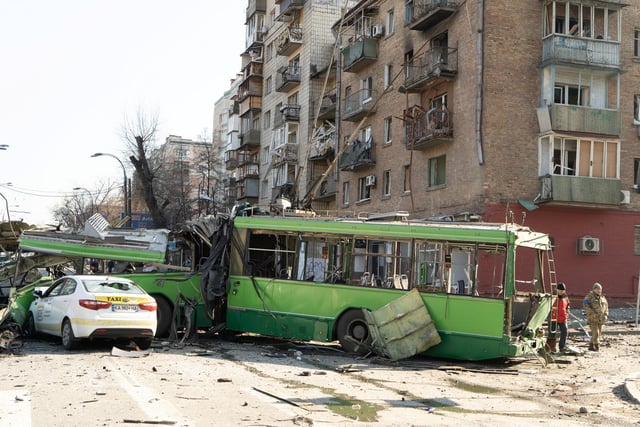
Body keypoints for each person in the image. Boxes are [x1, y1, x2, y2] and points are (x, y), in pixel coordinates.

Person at [583, 282, 608, 351]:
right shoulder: (589, 297)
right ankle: (597, 347)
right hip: (592, 319)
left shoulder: (603, 298)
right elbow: (586, 306)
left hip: (601, 319)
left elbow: (606, 307)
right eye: (597, 289)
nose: (598, 290)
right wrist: (592, 314)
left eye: (599, 289)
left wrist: (605, 315)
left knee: (598, 333)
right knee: (596, 333)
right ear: (593, 289)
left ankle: (591, 346)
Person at [555, 282, 570, 352]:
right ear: (557, 290)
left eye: (562, 290)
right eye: (560, 290)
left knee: (564, 331)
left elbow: (568, 306)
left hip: (563, 318)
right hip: (554, 318)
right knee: (552, 333)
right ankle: (552, 347)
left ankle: (562, 347)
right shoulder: (553, 296)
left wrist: (567, 314)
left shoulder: (565, 297)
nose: (561, 292)